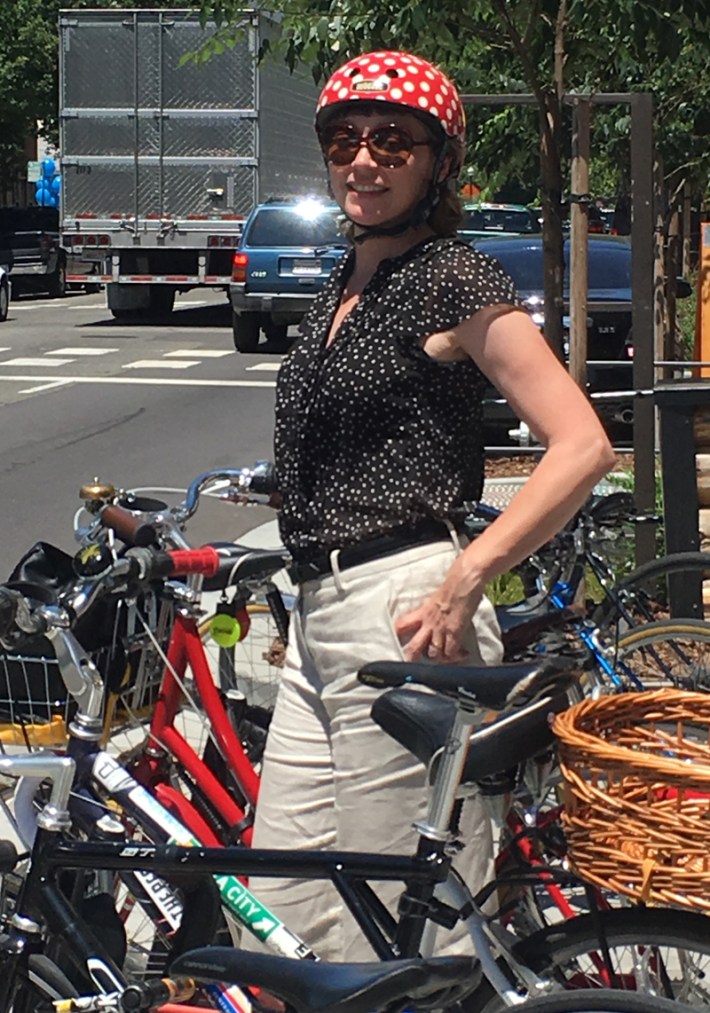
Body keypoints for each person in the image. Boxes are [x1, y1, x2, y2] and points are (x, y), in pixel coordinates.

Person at [248, 50, 616, 962]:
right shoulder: (342, 281)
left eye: (391, 142)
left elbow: (582, 444)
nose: (363, 160)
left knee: (400, 928)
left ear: (436, 162)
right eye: (344, 140)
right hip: (324, 615)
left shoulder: (453, 275)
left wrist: (466, 579)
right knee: (282, 902)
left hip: (408, 609)